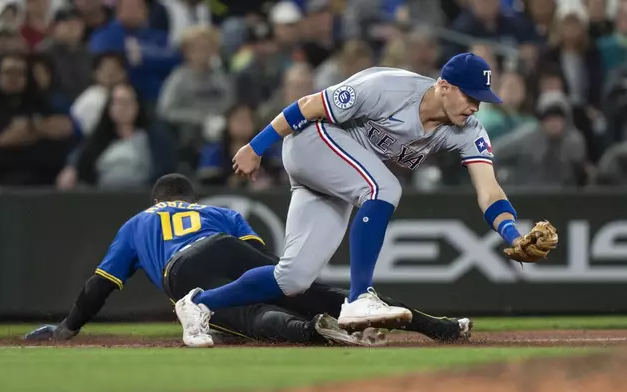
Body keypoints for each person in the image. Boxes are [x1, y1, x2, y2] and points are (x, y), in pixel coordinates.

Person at [179, 52, 558, 347]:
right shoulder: (388, 87)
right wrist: (256, 146)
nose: (476, 106)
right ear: (444, 85)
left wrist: (511, 235)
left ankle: (199, 304)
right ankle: (359, 297)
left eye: (482, 99)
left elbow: (489, 189)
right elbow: (306, 105)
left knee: (292, 279)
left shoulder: (467, 130)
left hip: (339, 173)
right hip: (312, 141)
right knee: (384, 188)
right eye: (470, 96)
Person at [23, 173, 473, 347]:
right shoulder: (218, 211)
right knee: (322, 295)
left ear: (158, 199)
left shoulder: (138, 223)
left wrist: (68, 327)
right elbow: (260, 260)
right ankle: (439, 327)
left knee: (254, 319)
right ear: (189, 199)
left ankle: (311, 331)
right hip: (224, 244)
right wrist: (301, 291)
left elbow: (99, 285)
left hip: (182, 270)